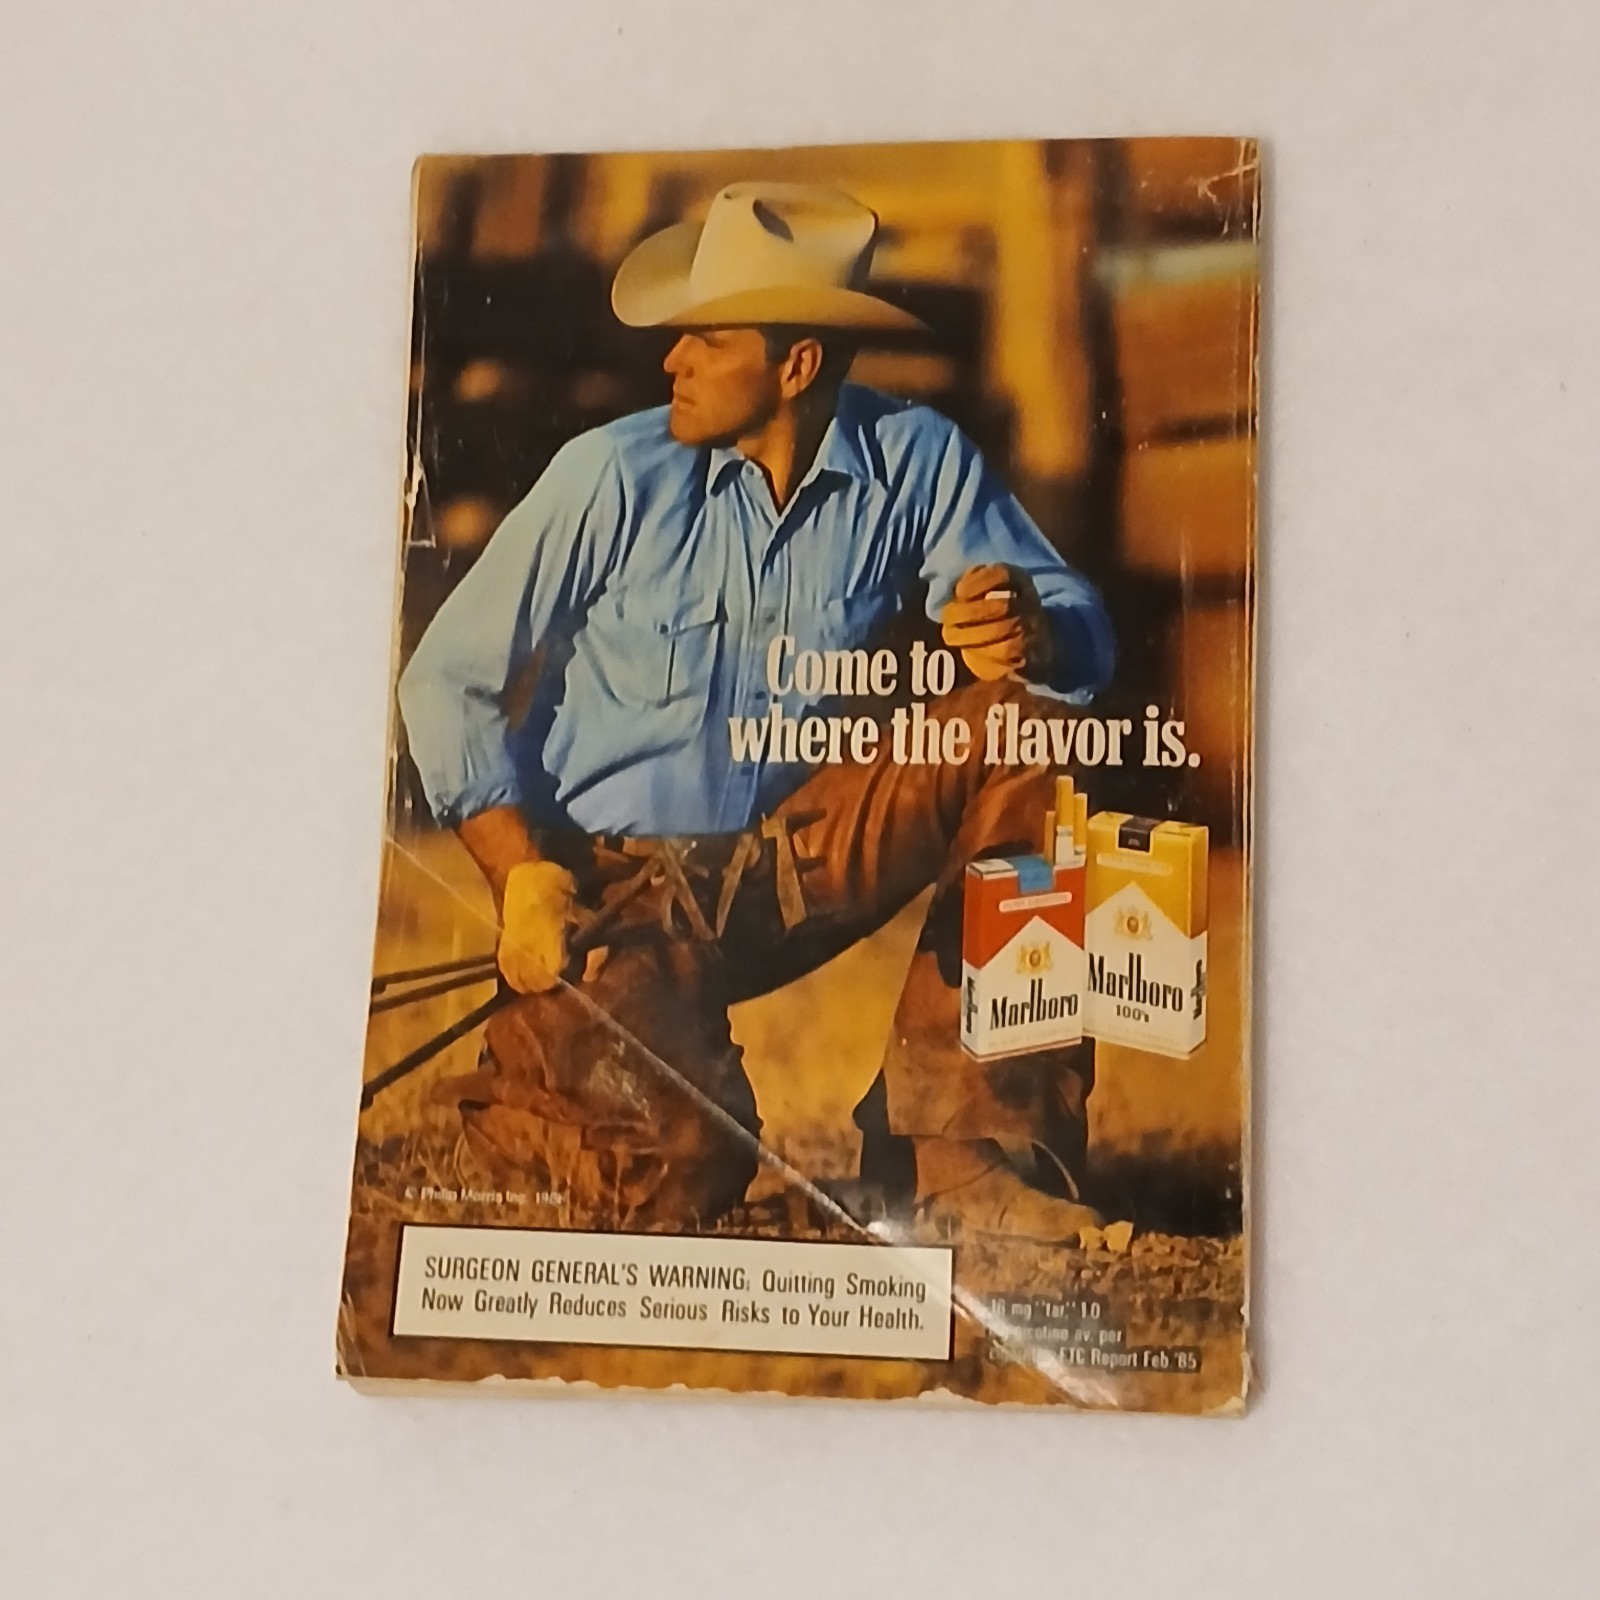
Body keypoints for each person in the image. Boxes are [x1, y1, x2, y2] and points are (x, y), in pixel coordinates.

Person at [398, 181, 1117, 1239]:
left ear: (797, 365)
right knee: (684, 1171)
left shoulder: (914, 461)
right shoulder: (610, 476)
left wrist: (1034, 630)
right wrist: (520, 878)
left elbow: (1076, 630)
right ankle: (529, 1086)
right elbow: (442, 678)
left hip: (790, 863)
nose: (672, 362)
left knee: (1032, 729)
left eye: (708, 338)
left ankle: (955, 1158)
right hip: (611, 898)